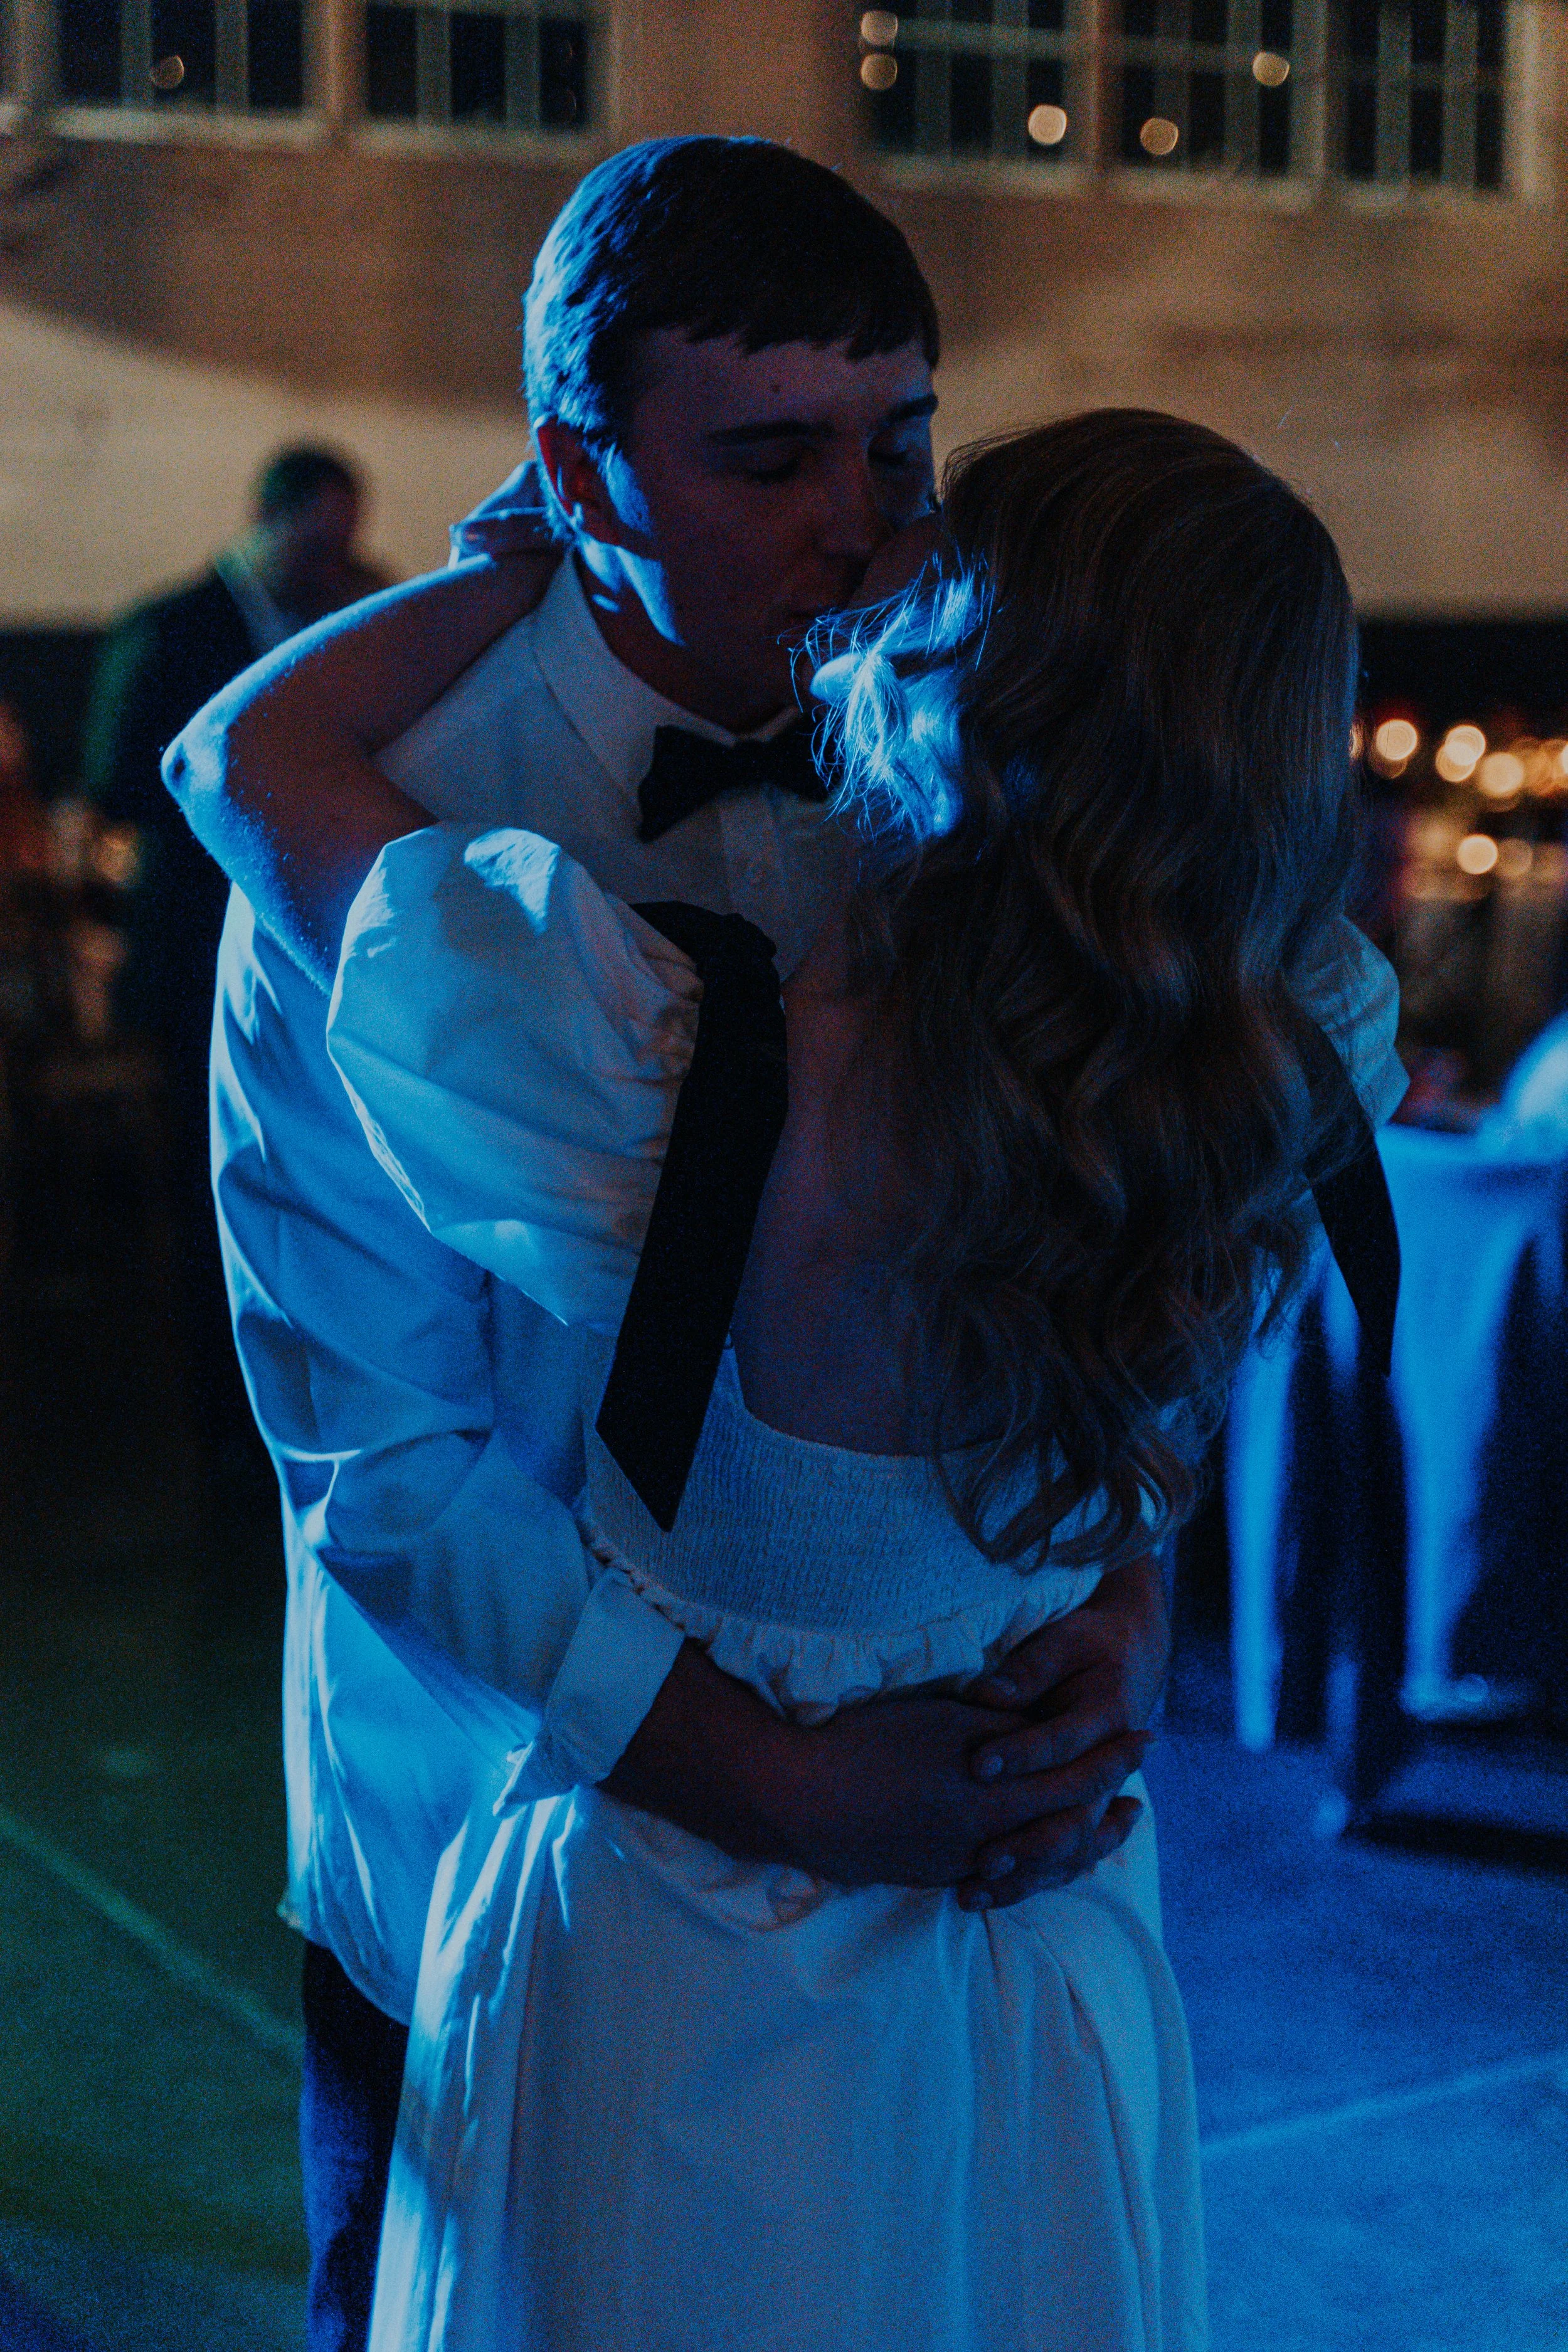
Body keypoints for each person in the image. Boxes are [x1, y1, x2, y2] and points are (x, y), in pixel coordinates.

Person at [176, 407, 1404, 2348]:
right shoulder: (1296, 1041)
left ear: (958, 656)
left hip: (687, 1942)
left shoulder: (665, 1067)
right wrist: (1121, 1590)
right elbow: (1142, 1426)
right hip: (1042, 1894)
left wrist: (521, 562)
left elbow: (237, 758)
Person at [82, 444, 387, 1478]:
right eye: (317, 545)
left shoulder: (374, 609)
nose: (333, 566)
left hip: (342, 950)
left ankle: (348, 1413)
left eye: (344, 544)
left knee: (351, 1194)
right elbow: (117, 783)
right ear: (267, 520)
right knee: (222, 1190)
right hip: (188, 949)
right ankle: (229, 1433)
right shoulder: (169, 626)